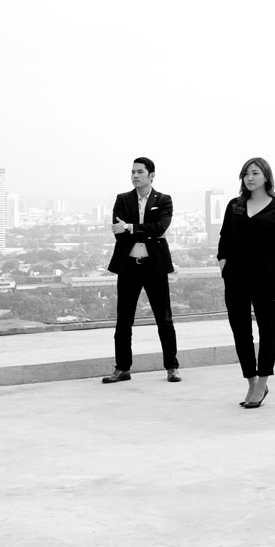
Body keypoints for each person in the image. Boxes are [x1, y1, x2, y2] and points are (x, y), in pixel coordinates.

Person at [217, 158, 275, 408]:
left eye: (255, 173)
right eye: (246, 173)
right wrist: (223, 265)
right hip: (235, 277)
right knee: (240, 332)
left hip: (265, 278)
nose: (249, 177)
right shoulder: (234, 205)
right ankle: (252, 381)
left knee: (267, 331)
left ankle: (263, 381)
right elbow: (224, 238)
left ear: (266, 177)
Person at [103, 157, 180, 383]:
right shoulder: (123, 199)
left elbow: (160, 227)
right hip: (128, 266)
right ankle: (122, 368)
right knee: (124, 321)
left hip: (155, 266)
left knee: (164, 319)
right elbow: (118, 232)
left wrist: (130, 227)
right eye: (133, 172)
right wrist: (143, 230)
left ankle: (172, 367)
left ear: (151, 175)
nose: (135, 176)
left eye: (140, 172)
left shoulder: (163, 200)